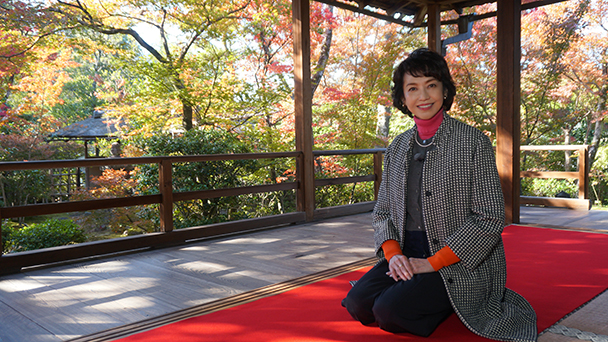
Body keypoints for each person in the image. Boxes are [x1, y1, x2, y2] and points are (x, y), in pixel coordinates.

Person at [341, 48, 538, 341]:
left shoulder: (472, 142)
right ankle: (418, 290)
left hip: (458, 258)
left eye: (431, 85)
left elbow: (490, 217)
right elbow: (382, 212)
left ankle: (452, 301)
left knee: (388, 313)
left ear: (445, 90)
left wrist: (432, 263)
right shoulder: (397, 147)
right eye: (413, 88)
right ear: (403, 99)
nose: (424, 96)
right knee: (358, 304)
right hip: (407, 249)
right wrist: (394, 255)